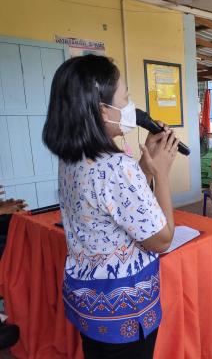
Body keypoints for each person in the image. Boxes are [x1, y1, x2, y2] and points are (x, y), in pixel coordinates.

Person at [42, 55, 179, 358]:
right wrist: (162, 175)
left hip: (89, 303)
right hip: (123, 309)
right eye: (126, 96)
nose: (131, 105)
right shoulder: (116, 166)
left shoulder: (71, 159)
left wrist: (144, 166)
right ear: (102, 109)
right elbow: (163, 239)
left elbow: (115, 203)